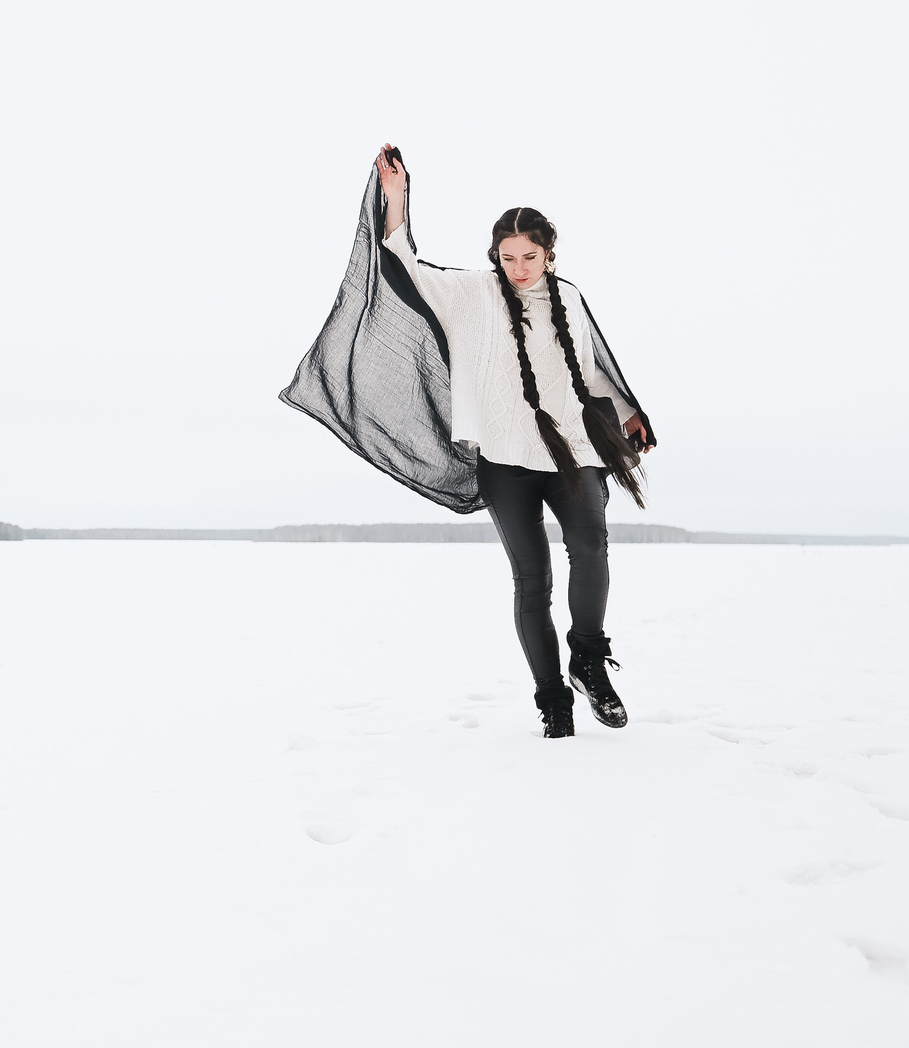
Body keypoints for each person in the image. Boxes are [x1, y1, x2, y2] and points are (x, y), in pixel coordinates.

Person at [280, 146, 657, 739]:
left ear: (549, 254)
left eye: (529, 256)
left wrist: (631, 414)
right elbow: (402, 264)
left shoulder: (570, 298)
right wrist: (397, 198)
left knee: (591, 549)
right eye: (508, 257)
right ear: (495, 256)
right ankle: (553, 702)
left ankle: (588, 659)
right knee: (533, 582)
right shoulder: (470, 294)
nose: (519, 268)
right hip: (505, 458)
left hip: (573, 449)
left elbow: (590, 368)